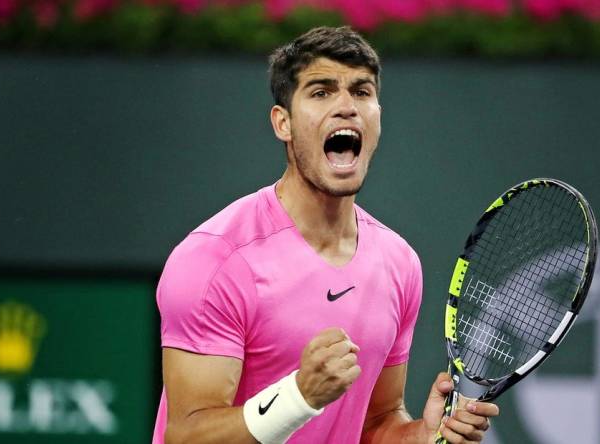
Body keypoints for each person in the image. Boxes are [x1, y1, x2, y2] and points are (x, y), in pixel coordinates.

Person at [151, 26, 499, 444]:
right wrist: (298, 397)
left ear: (378, 116)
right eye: (321, 92)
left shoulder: (398, 262)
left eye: (362, 92)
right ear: (283, 123)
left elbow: (376, 424)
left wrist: (423, 435)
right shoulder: (216, 259)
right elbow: (187, 437)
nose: (347, 107)